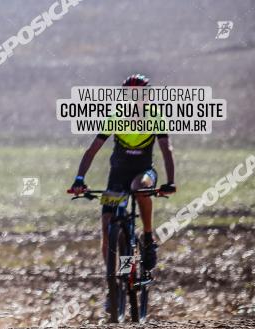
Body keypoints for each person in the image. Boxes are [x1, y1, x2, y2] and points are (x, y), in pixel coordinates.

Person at [68, 74, 177, 271]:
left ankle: (148, 236)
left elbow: (166, 149)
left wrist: (170, 182)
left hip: (143, 172)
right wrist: (79, 179)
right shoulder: (116, 115)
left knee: (139, 188)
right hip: (117, 175)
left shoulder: (155, 115)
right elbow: (93, 149)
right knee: (107, 227)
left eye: (139, 95)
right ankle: (114, 281)